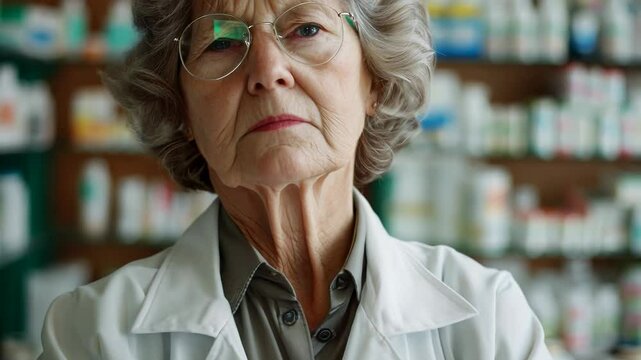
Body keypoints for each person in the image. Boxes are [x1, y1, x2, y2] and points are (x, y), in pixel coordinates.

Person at [39, 0, 552, 359]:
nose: (267, 69)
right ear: (182, 109)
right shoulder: (92, 335)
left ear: (373, 78)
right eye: (220, 41)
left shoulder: (488, 322)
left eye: (306, 28)